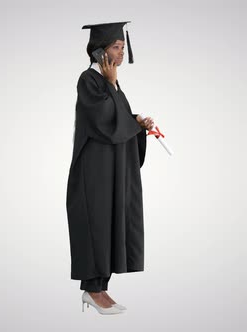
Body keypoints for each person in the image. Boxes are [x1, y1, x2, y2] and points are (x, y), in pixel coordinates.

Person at [66, 21, 154, 315]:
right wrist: (113, 85)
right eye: (117, 47)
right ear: (101, 52)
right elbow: (104, 120)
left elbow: (119, 119)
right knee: (96, 223)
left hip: (110, 170)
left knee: (110, 224)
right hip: (94, 172)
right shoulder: (89, 79)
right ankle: (91, 290)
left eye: (122, 47)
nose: (121, 52)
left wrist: (137, 123)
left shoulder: (109, 81)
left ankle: (100, 288)